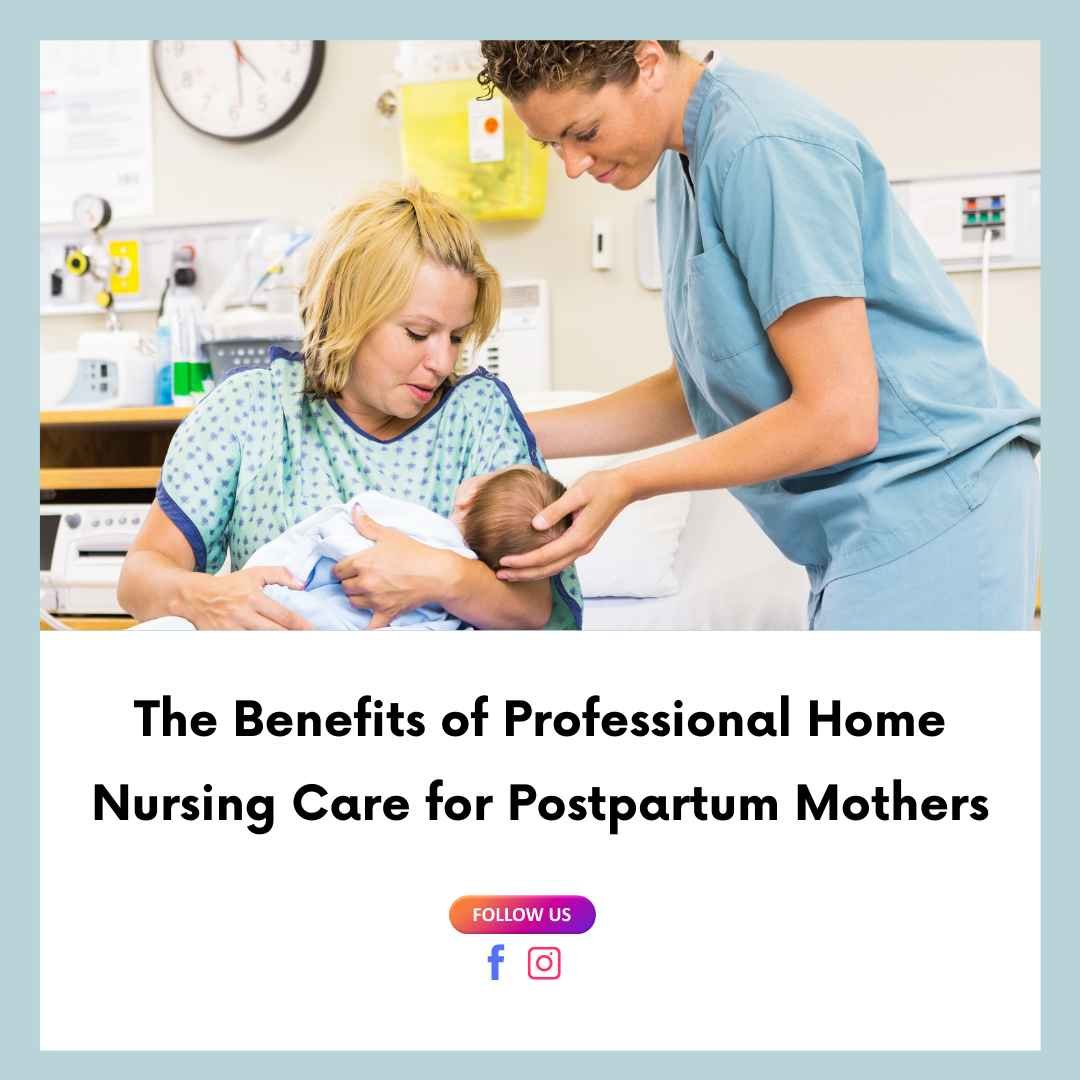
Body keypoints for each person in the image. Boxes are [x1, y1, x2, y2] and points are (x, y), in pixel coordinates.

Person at [476, 41, 1040, 629]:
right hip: (866, 522)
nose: (571, 165)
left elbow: (840, 415)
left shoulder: (761, 146)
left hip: (931, 500)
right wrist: (510, 428)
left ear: (647, 64)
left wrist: (629, 482)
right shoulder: (678, 162)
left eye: (584, 133)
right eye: (552, 145)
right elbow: (697, 388)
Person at [117, 184, 582, 630]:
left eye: (457, 337)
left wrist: (443, 576)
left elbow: (534, 609)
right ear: (344, 310)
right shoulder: (250, 411)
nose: (442, 362)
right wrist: (205, 597)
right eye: (418, 333)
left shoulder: (478, 416)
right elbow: (139, 579)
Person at [245, 467, 570, 630]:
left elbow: (349, 520)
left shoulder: (420, 523)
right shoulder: (464, 607)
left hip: (298, 593)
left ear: (468, 496)